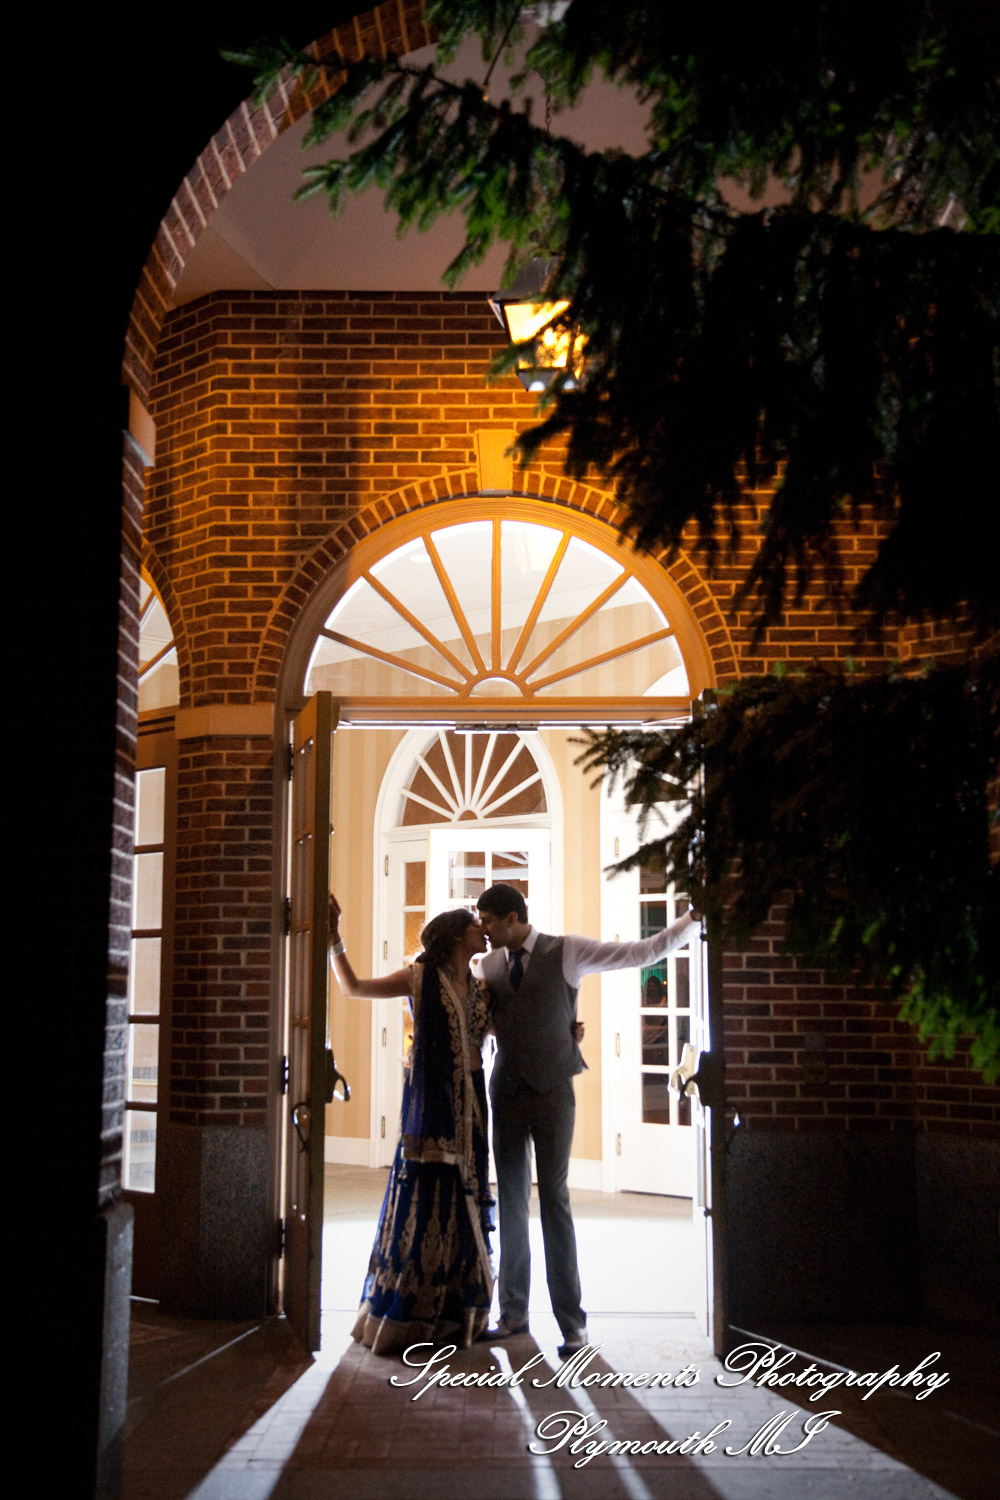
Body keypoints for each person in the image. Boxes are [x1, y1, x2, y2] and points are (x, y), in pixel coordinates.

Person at [475, 882, 701, 1359]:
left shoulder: (568, 951)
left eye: (489, 920)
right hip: (507, 1093)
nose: (484, 929)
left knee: (555, 1201)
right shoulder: (488, 966)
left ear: (512, 918)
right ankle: (512, 1313)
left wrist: (692, 920)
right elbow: (493, 1022)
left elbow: (640, 952)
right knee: (511, 1201)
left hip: (554, 1091)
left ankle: (572, 1324)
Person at [328, 896, 494, 1356]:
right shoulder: (419, 978)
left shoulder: (481, 988)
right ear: (458, 935)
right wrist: (333, 942)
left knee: (465, 1206)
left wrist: (565, 1032)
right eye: (475, 927)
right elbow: (354, 988)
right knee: (425, 1205)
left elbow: (508, 1030)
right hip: (431, 1108)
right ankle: (410, 1312)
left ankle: (456, 1312)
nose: (483, 931)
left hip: (472, 1106)